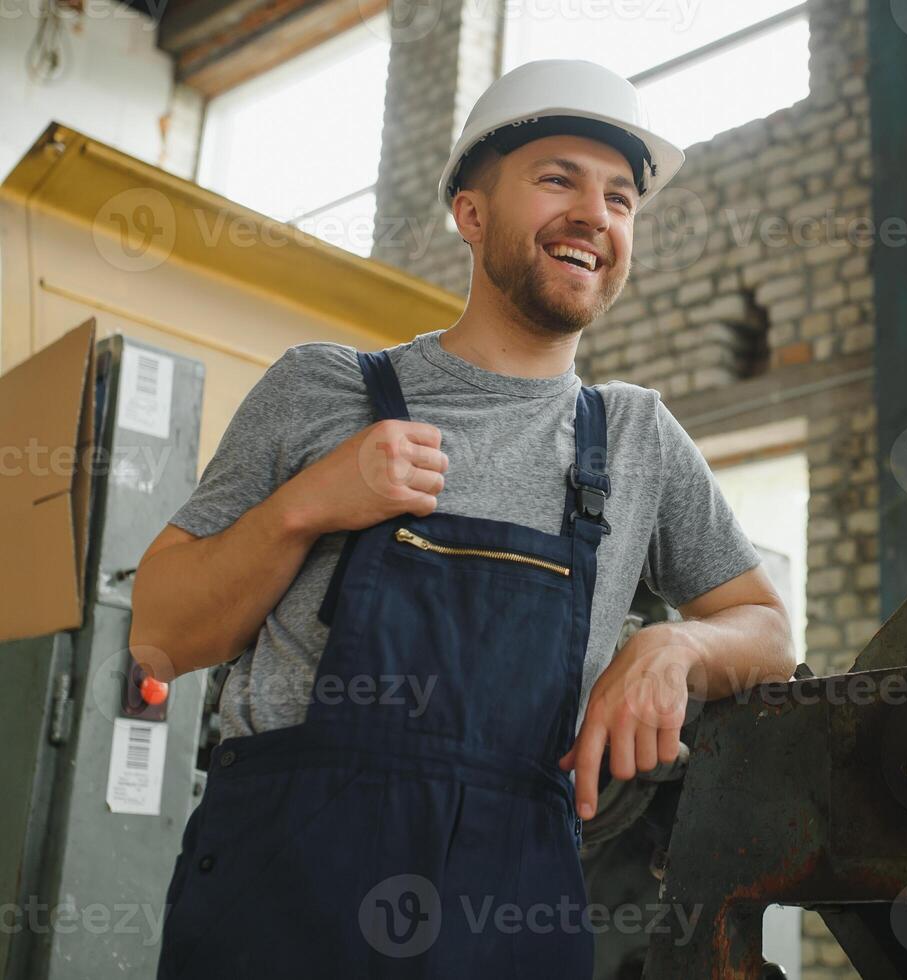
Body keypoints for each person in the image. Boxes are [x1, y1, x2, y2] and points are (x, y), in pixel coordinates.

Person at [133, 58, 796, 978]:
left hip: (509, 912)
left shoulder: (637, 436)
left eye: (620, 198)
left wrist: (674, 648)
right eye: (557, 178)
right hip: (282, 900)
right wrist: (306, 506)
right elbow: (161, 634)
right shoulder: (322, 388)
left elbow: (769, 633)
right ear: (472, 214)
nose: (595, 216)